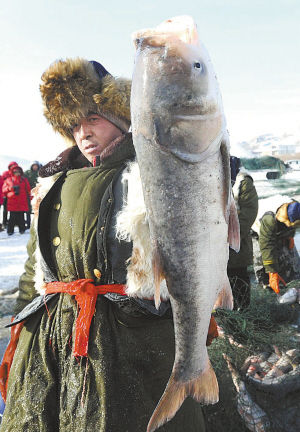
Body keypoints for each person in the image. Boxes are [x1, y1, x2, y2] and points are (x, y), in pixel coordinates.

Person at [0, 58, 211, 431]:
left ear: (119, 115)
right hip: (54, 338)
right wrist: (21, 326)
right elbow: (36, 267)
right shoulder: (52, 184)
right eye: (74, 124)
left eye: (92, 118)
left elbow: (197, 239)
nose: (83, 132)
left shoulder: (155, 172)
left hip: (131, 344)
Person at [227, 157, 258, 310]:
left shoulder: (243, 182)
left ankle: (242, 315)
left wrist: (231, 236)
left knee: (239, 281)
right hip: (216, 246)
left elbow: (249, 213)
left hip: (237, 244)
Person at [258, 201, 300, 294]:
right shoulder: (269, 219)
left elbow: (293, 224)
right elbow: (266, 246)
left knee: (293, 263)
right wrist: (272, 272)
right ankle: (269, 290)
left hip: (281, 232)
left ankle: (292, 286)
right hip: (260, 234)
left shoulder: (295, 206)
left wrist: (289, 236)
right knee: (267, 266)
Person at [2, 165, 31, 236]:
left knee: (21, 217)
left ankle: (22, 229)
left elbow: (28, 190)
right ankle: (10, 231)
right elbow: (4, 190)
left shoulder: (24, 180)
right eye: (15, 172)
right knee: (12, 217)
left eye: (18, 172)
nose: (17, 173)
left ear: (21, 172)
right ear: (12, 172)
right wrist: (10, 188)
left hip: (22, 202)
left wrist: (30, 198)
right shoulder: (8, 180)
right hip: (12, 202)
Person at [24, 161, 42, 229]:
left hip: (38, 192)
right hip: (29, 192)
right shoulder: (27, 173)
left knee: (38, 208)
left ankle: (38, 223)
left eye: (36, 166)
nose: (35, 167)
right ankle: (28, 224)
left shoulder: (40, 172)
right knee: (28, 209)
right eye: (33, 166)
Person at [1, 162, 19, 229]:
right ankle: (4, 223)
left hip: (14, 195)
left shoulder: (17, 173)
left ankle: (15, 222)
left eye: (15, 166)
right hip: (6, 194)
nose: (13, 167)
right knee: (5, 210)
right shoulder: (5, 173)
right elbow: (2, 184)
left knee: (15, 210)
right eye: (12, 166)